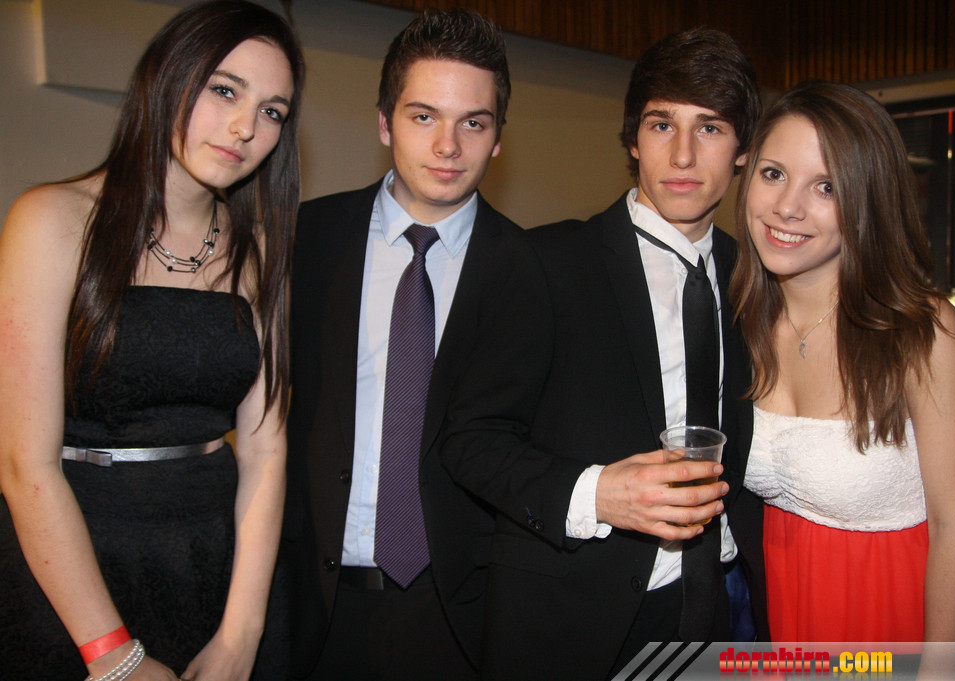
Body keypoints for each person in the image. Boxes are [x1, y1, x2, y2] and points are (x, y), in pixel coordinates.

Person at [440, 28, 765, 680]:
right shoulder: (548, 263)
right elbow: (469, 441)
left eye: (709, 128)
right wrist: (596, 494)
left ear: (742, 152)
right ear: (632, 138)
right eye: (661, 124)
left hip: (722, 608)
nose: (682, 153)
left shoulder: (754, 280)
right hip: (575, 621)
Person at [0, 2, 304, 680]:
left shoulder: (259, 252)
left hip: (217, 567)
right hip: (74, 570)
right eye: (224, 89)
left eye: (272, 111)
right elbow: (24, 466)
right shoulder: (51, 221)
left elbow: (265, 452)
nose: (246, 127)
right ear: (166, 78)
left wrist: (242, 635)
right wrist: (113, 653)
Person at [282, 9, 521, 681]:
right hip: (313, 603)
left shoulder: (531, 270)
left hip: (460, 615)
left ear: (498, 139)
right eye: (424, 117)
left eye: (473, 123)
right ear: (385, 123)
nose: (448, 145)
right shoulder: (304, 239)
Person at [732, 81, 955, 647]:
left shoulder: (921, 332)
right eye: (773, 173)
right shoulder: (742, 320)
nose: (788, 206)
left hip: (890, 621)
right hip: (782, 620)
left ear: (869, 198)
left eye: (826, 186)